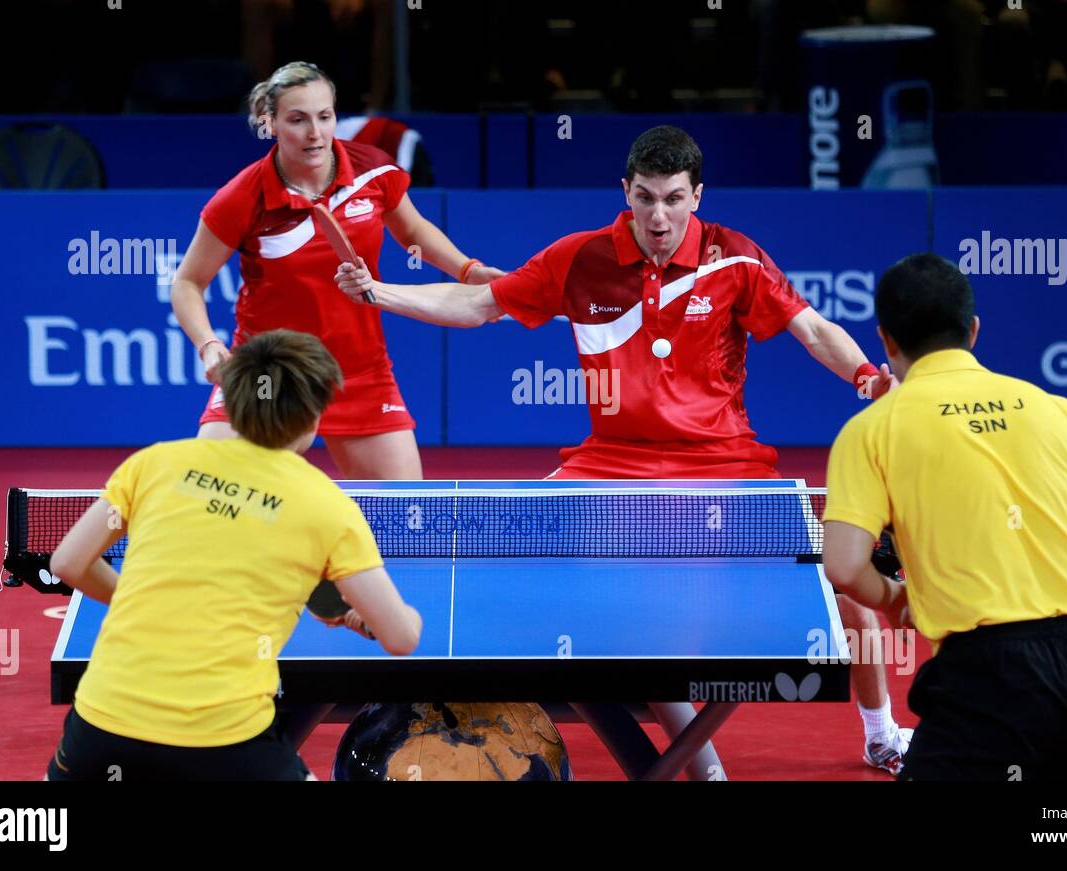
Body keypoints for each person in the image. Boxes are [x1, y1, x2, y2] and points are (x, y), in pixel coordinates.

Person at [335, 125, 913, 778]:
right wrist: (378, 292)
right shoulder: (581, 259)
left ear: (697, 195)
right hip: (611, 462)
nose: (658, 216)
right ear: (626, 192)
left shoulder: (735, 259)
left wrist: (869, 376)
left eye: (673, 198)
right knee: (504, 555)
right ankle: (696, 763)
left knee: (847, 590)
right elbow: (477, 303)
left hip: (725, 464)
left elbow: (811, 329)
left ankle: (882, 733)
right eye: (645, 197)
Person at [822, 253, 1067, 780]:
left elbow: (846, 569)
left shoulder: (872, 430)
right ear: (974, 330)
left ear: (886, 340)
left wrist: (897, 602)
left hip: (982, 681)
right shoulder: (1062, 412)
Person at [44, 330, 422, 781]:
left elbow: (67, 563)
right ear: (315, 416)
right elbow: (400, 639)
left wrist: (142, 599)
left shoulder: (154, 464)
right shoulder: (328, 506)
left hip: (102, 724)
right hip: (224, 742)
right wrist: (396, 618)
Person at [170, 61, 503, 479]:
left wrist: (467, 270)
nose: (315, 133)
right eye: (297, 120)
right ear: (269, 123)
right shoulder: (241, 198)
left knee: (404, 522)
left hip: (359, 372)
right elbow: (187, 282)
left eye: (324, 117)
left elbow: (413, 230)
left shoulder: (374, 170)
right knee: (212, 496)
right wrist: (208, 346)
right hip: (269, 372)